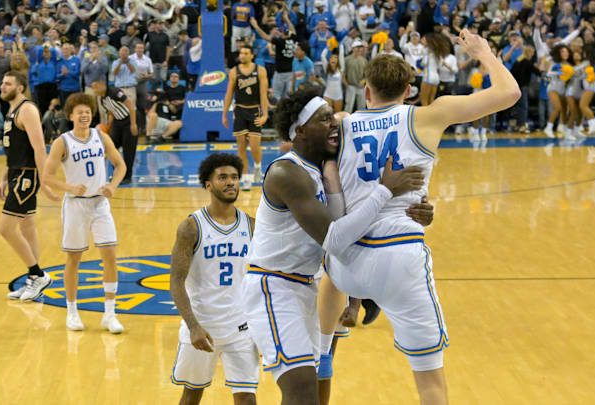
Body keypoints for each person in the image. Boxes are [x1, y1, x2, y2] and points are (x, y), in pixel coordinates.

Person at [319, 29, 520, 405]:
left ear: (366, 91)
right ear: (409, 91)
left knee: (329, 270)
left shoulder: (341, 124)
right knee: (430, 382)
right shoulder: (429, 115)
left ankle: (323, 347)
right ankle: (326, 344)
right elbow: (509, 93)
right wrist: (483, 52)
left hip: (347, 260)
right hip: (399, 255)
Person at [240, 83, 426, 405]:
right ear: (299, 130)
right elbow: (335, 238)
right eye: (324, 119)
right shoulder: (287, 173)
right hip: (273, 287)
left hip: (304, 287)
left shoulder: (325, 169)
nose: (334, 124)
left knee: (308, 394)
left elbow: (353, 222)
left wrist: (417, 211)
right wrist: (385, 191)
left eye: (332, 117)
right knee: (300, 391)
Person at [169, 153, 260, 405]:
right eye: (223, 177)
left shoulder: (251, 225)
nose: (230, 182)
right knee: (190, 398)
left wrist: (261, 326)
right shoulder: (191, 227)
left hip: (240, 329)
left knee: (247, 399)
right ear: (208, 184)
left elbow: (262, 278)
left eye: (234, 177)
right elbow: (176, 281)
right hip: (201, 327)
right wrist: (193, 326)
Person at [41, 93, 126, 333]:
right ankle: (72, 311)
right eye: (80, 112)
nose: (85, 115)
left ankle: (110, 314)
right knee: (74, 259)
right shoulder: (63, 142)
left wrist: (112, 185)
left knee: (110, 255)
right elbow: (46, 176)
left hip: (100, 204)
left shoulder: (101, 136)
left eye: (88, 112)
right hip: (76, 205)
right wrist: (69, 187)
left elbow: (121, 165)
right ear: (71, 116)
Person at [0, 70, 59, 301]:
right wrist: (5, 176)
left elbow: (39, 148)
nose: (2, 87)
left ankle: (38, 274)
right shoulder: (12, 110)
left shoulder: (27, 109)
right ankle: (33, 279)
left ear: (20, 87)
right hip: (16, 171)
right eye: (2, 83)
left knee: (5, 228)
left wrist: (45, 181)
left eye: (8, 83)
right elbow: (15, 148)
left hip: (27, 175)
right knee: (27, 227)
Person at [222, 45, 269, 191]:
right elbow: (229, 94)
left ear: (252, 55)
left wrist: (265, 114)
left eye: (245, 53)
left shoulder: (260, 70)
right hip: (240, 111)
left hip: (255, 110)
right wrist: (224, 114)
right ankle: (246, 178)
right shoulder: (234, 71)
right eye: (241, 53)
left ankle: (257, 167)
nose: (242, 55)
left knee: (255, 145)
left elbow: (263, 94)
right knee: (241, 147)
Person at [91, 80, 139, 184]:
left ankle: (127, 177)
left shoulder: (114, 92)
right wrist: (109, 126)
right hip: (117, 122)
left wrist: (133, 124)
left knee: (128, 150)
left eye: (95, 87)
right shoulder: (102, 98)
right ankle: (118, 173)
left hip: (129, 120)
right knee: (110, 148)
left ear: (102, 86)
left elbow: (130, 105)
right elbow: (111, 111)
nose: (94, 90)